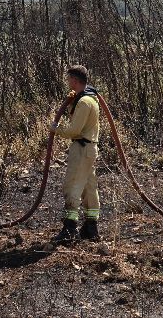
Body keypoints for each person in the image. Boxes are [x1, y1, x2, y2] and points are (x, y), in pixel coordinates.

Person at [49, 64, 101, 242]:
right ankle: (91, 227)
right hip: (89, 149)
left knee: (72, 186)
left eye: (69, 78)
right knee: (88, 187)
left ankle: (70, 228)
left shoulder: (85, 101)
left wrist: (56, 129)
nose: (67, 81)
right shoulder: (89, 99)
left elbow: (74, 130)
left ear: (74, 80)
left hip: (81, 149)